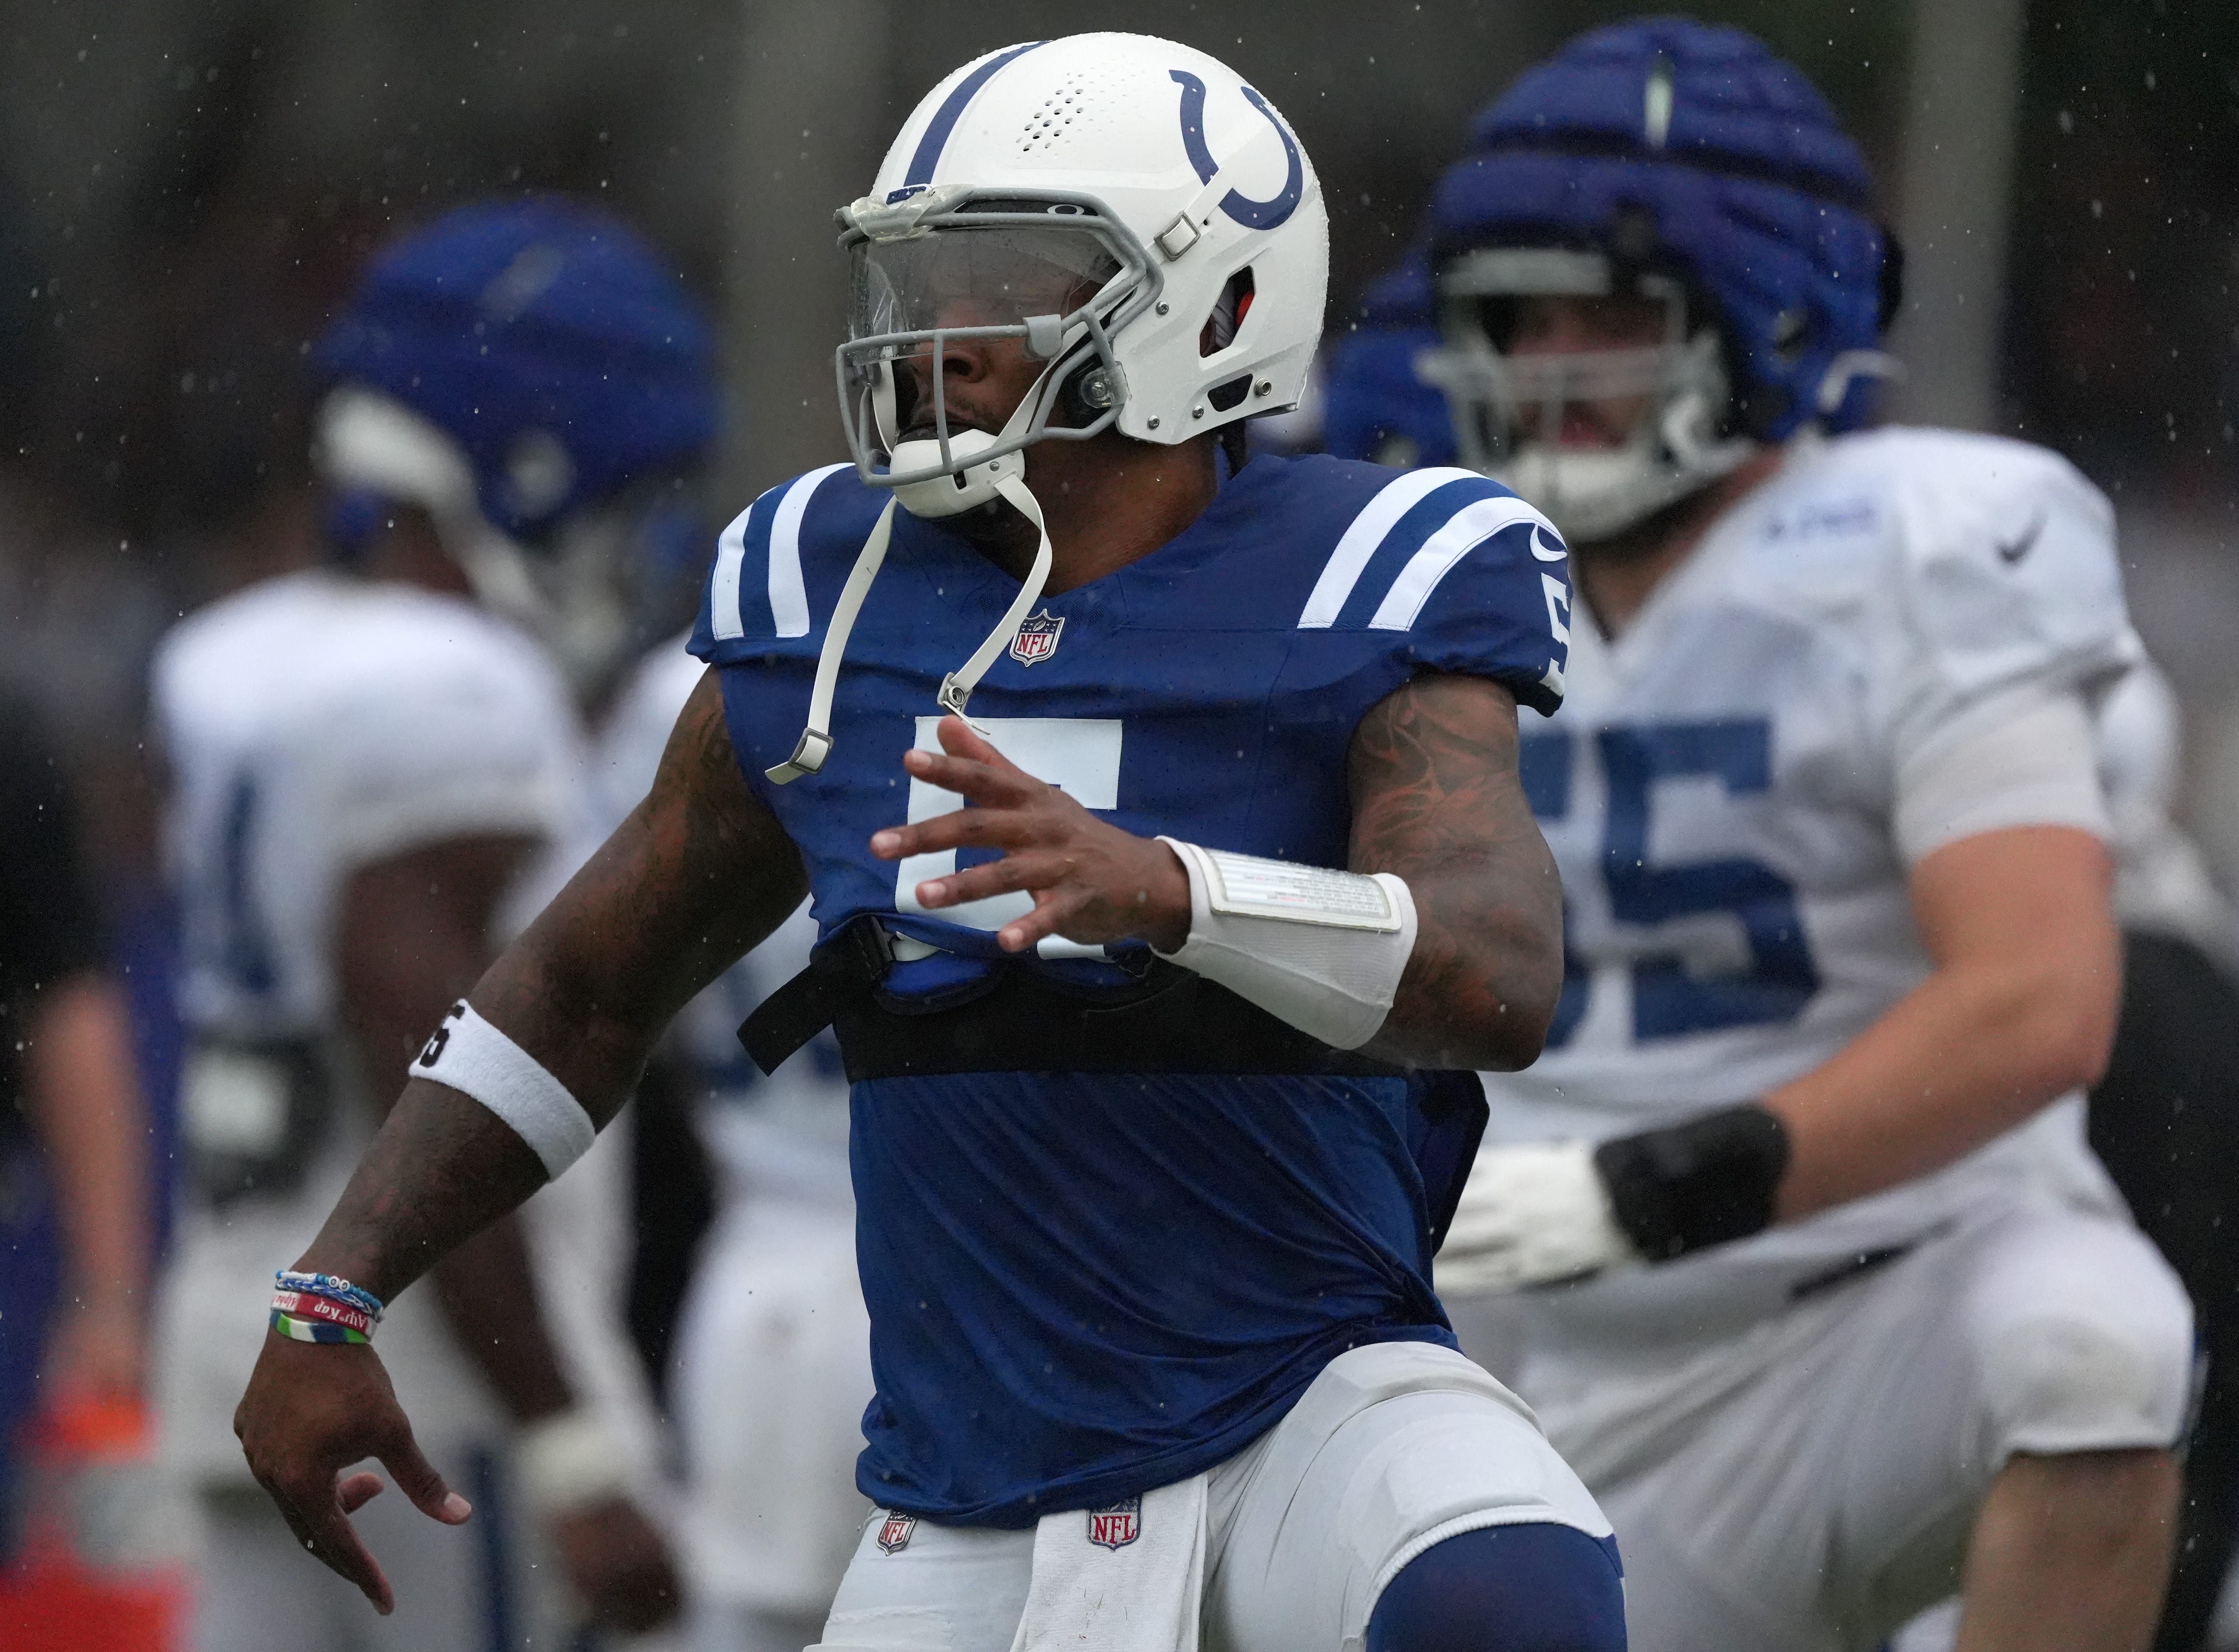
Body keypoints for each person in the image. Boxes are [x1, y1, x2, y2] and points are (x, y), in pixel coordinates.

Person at [228, 32, 1631, 1652]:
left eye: (1006, 282)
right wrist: (331, 1293)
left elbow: (1497, 975)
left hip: (1303, 1405)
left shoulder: (1372, 565)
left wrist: (1172, 892)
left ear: (1215, 307)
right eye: (919, 279)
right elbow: (583, 988)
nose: (937, 334)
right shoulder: (829, 591)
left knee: (1502, 1584)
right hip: (973, 1491)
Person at [1325, 19, 2193, 1651]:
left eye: (1609, 314)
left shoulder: (1919, 542)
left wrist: (1658, 1187)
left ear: (1767, 317)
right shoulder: (1422, 562)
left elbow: (2037, 1000)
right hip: (1519, 1341)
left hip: (1871, 1296)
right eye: (1518, 315)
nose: (1551, 363)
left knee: (2087, 1346)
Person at [151, 196, 710, 1651]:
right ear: (531, 454)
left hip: (231, 1329)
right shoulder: (451, 689)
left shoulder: (239, 652)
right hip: (423, 1387)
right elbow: (443, 1086)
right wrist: (568, 1442)